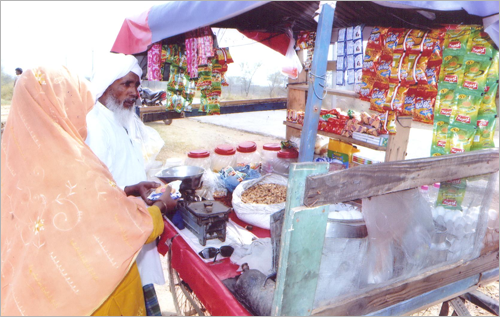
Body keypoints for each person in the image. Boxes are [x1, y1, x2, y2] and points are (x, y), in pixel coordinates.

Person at [0, 65, 177, 315]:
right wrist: (161, 205)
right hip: (97, 296)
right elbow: (117, 226)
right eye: (77, 104)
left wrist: (125, 191)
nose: (83, 114)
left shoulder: (19, 166)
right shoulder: (75, 163)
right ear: (60, 107)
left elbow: (80, 208)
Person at [85, 53, 166, 316]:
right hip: (115, 238)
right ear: (107, 85)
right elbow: (94, 196)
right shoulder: (95, 126)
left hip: (131, 232)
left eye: (137, 86)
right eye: (126, 84)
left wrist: (138, 188)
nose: (134, 92)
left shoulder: (118, 119)